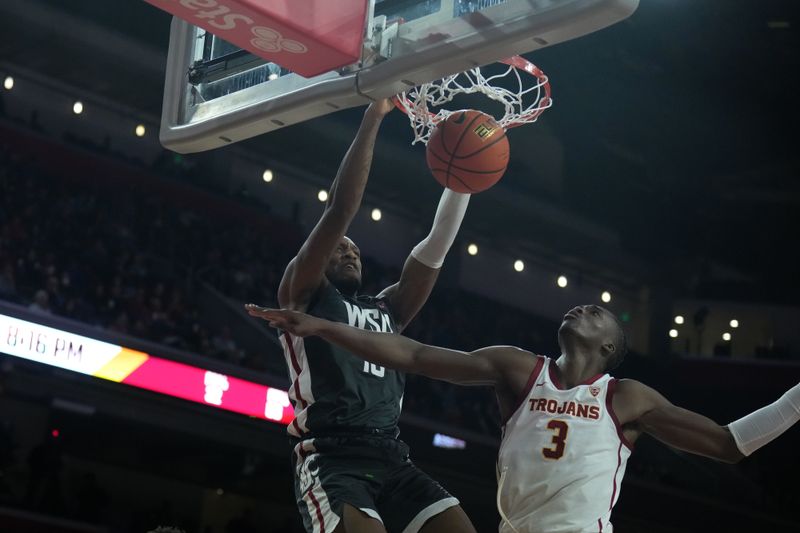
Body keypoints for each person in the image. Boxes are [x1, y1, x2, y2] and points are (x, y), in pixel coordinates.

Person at [246, 303, 800, 533]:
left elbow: (729, 444)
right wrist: (323, 328)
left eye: (599, 313)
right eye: (583, 306)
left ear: (610, 347)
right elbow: (414, 354)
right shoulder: (518, 369)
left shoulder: (625, 396)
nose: (583, 307)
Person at [262, 98, 476, 533]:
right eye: (340, 247)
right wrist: (374, 115)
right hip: (332, 455)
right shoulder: (302, 295)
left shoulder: (389, 310)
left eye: (355, 249)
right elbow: (340, 210)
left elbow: (435, 246)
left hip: (391, 456)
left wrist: (463, 180)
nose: (349, 249)